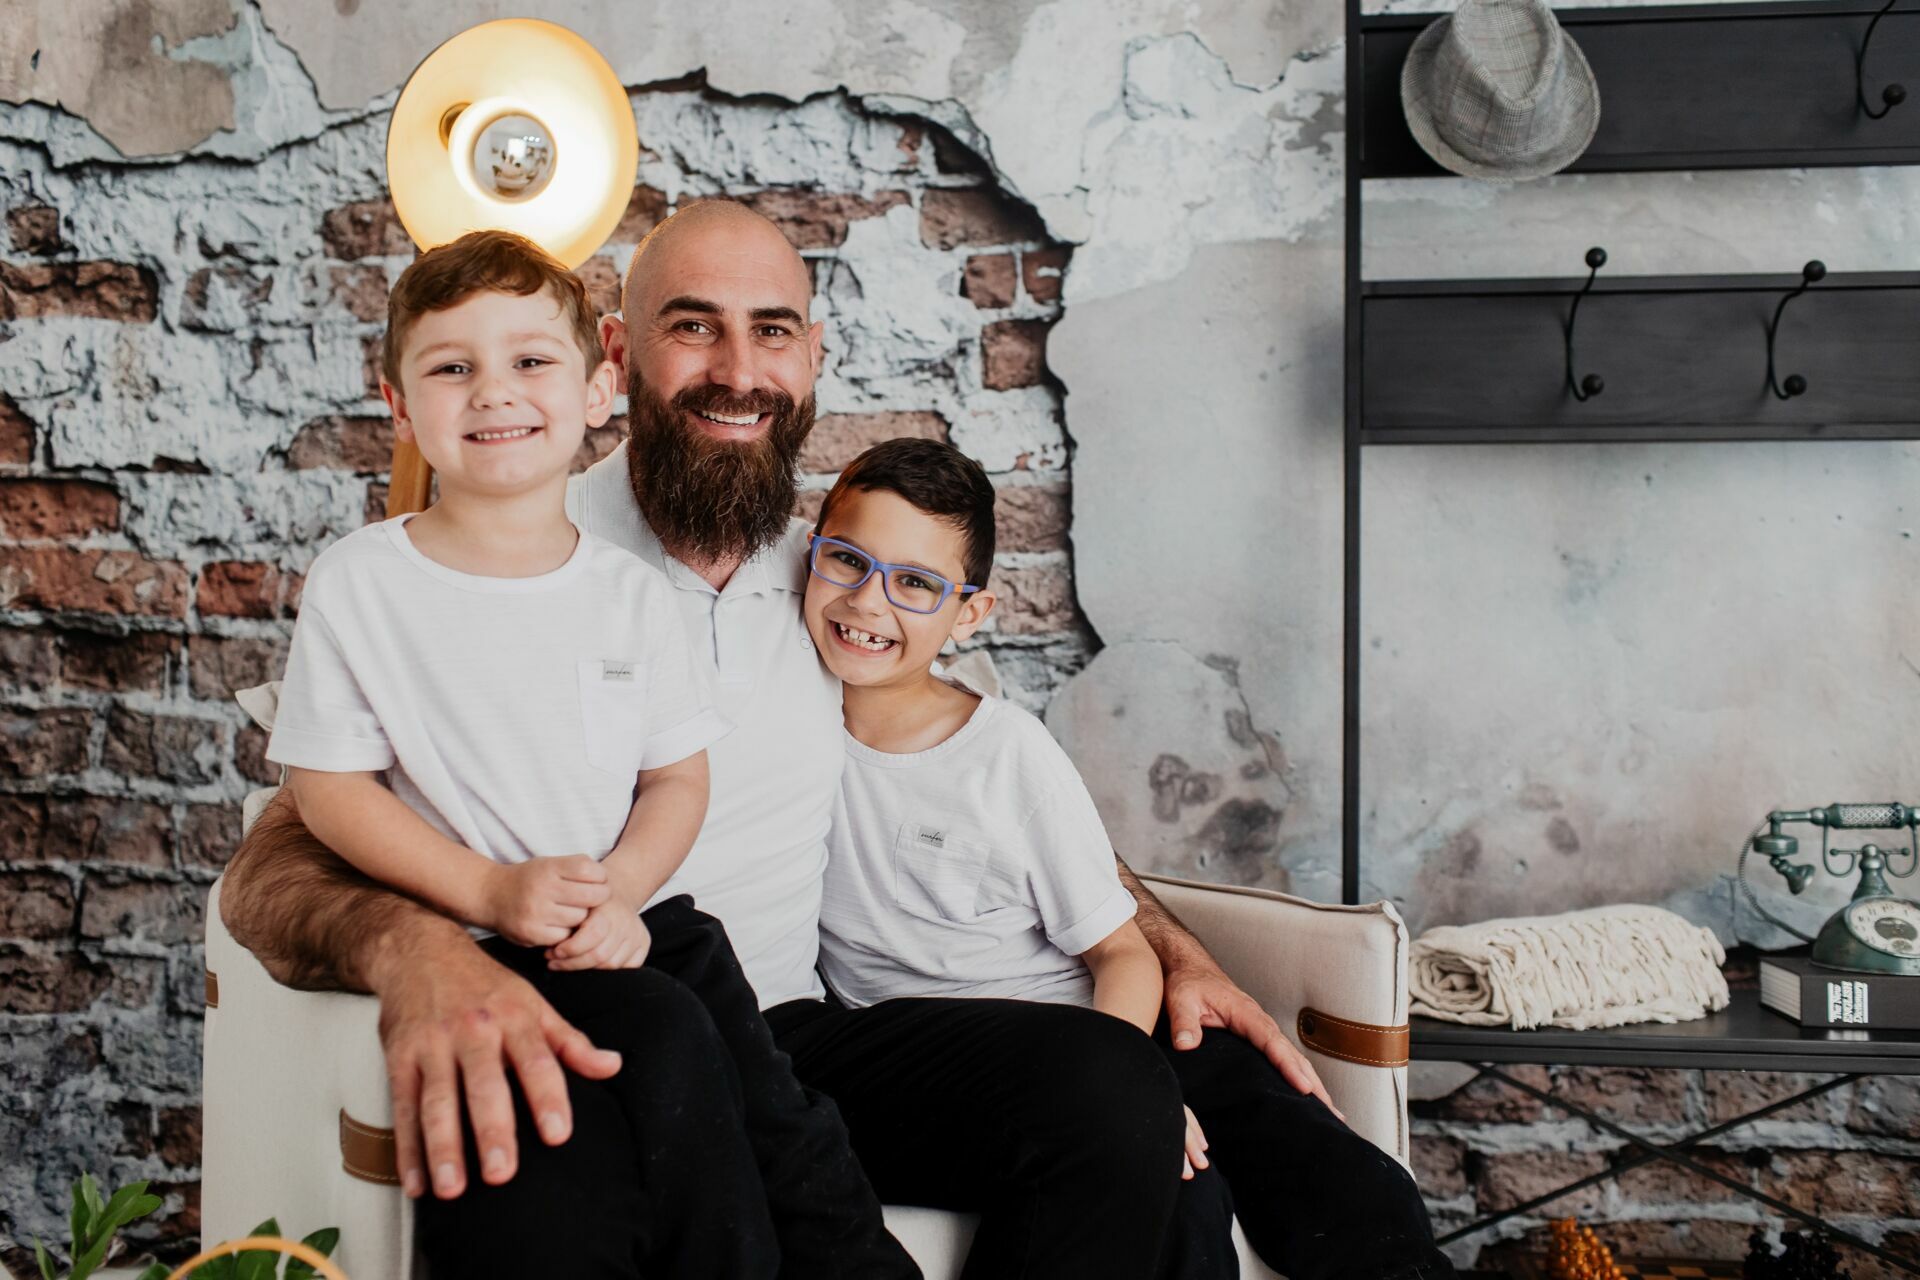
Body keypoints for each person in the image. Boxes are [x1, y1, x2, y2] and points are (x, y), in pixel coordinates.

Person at [220, 199, 1343, 1277]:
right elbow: (282, 854)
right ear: (619, 355)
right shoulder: (520, 541)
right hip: (612, 1008)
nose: (739, 372)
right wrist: (421, 951)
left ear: (814, 358)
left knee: (1109, 1085)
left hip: (800, 1034)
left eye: (771, 334)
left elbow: (974, 765)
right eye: (692, 326)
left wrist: (1157, 942)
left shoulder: (835, 578)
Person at [260, 227, 913, 1278]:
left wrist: (622, 890)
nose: (493, 393)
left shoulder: (627, 594)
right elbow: (325, 787)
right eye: (451, 367)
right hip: (486, 945)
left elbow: (675, 777)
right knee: (647, 1061)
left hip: (636, 924)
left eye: (529, 361)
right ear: (398, 404)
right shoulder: (364, 583)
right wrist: (487, 886)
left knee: (784, 1133)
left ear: (597, 383)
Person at [802, 436, 1456, 1280]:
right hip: (959, 1063)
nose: (868, 600)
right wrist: (1122, 1113)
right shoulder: (788, 729)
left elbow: (1121, 953)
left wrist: (1128, 1090)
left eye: (917, 584)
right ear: (809, 553)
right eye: (846, 560)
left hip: (1115, 1021)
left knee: (1332, 1173)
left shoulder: (1007, 755)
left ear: (969, 614)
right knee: (1181, 1198)